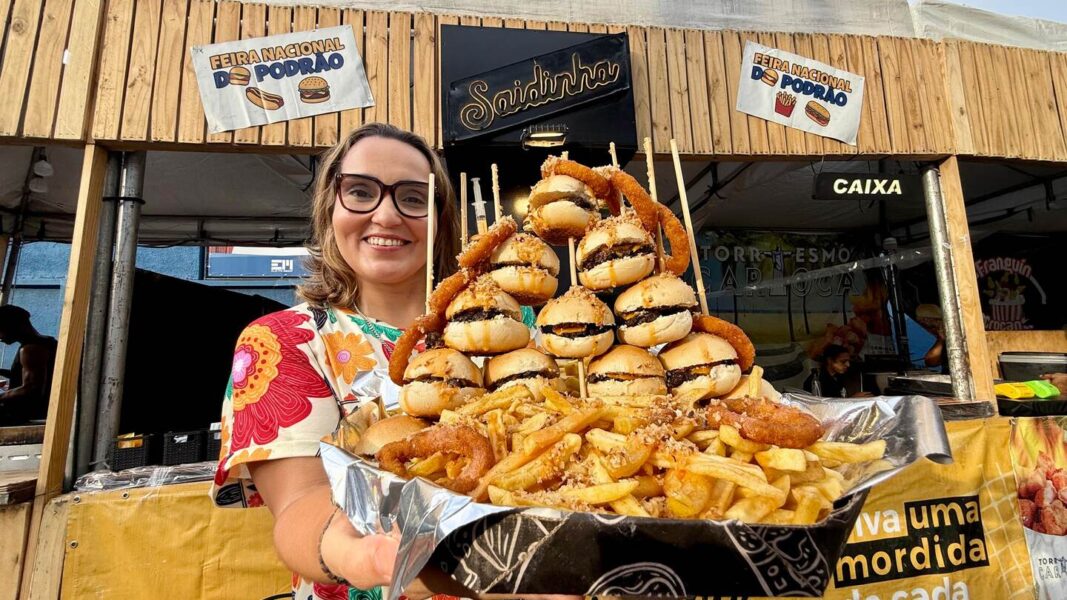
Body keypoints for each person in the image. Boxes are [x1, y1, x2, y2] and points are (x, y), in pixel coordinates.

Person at [210, 124, 550, 600]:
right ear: (330, 207)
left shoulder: (527, 332)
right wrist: (362, 555)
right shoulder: (285, 342)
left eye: (412, 198)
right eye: (360, 192)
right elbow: (299, 504)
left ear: (439, 219)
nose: (386, 215)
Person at [0, 305, 58, 426]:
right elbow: (29, 373)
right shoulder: (47, 342)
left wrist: (2, 396)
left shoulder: (31, 350)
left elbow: (31, 389)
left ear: (12, 326)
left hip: (28, 416)